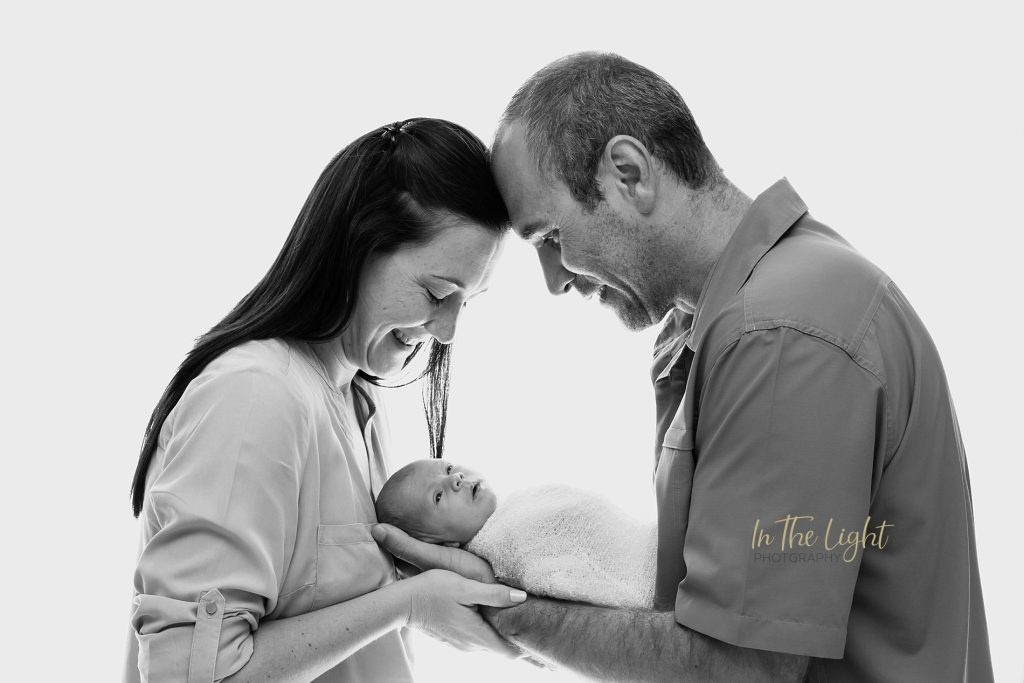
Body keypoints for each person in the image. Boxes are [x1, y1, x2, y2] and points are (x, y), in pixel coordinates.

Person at [372, 54, 994, 681]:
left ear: (629, 173)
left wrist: (496, 606)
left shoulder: (780, 337)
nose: (555, 281)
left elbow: (736, 669)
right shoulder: (734, 318)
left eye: (551, 238)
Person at [123, 118, 528, 683]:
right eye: (437, 293)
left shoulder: (358, 399)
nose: (448, 332)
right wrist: (408, 605)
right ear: (354, 248)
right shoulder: (253, 396)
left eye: (469, 301)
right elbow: (193, 675)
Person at [375, 459, 657, 609]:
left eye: (448, 468)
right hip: (650, 578)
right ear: (447, 543)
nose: (454, 478)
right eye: (438, 496)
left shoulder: (513, 506)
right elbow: (567, 581)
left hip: (653, 542)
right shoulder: (505, 547)